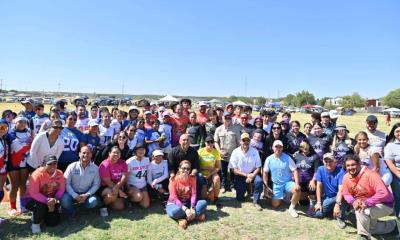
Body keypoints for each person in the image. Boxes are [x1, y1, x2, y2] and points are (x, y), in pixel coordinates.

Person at [342, 155, 398, 240]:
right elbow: (346, 194)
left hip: (384, 204)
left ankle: (363, 236)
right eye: (348, 166)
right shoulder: (346, 177)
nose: (351, 167)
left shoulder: (370, 175)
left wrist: (367, 203)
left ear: (359, 164)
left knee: (361, 211)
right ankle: (394, 226)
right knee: (371, 227)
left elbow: (383, 193)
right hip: (367, 204)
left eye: (353, 165)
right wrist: (353, 201)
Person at [26, 155, 65, 234]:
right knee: (41, 206)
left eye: (55, 163)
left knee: (53, 223)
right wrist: (47, 201)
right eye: (49, 164)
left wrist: (55, 199)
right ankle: (35, 224)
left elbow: (62, 188)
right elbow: (34, 193)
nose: (53, 166)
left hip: (51, 199)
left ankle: (42, 215)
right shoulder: (36, 174)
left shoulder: (59, 173)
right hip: (33, 200)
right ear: (44, 164)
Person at [263, 140, 301, 218]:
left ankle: (291, 208)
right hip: (277, 184)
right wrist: (266, 187)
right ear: (273, 148)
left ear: (282, 148)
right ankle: (284, 196)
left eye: (280, 147)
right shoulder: (269, 159)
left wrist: (297, 183)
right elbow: (265, 173)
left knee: (297, 190)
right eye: (276, 147)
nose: (278, 149)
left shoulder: (287, 158)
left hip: (287, 183)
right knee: (275, 205)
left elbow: (294, 170)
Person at [166, 160, 207, 229]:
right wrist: (186, 210)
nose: (185, 170)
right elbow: (174, 198)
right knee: (174, 212)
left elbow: (194, 194)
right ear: (179, 168)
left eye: (188, 169)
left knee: (203, 203)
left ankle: (183, 219)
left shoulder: (192, 178)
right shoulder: (173, 180)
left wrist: (192, 207)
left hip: (188, 203)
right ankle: (196, 216)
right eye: (183, 168)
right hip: (175, 204)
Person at [61, 146, 100, 218]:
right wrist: (74, 195)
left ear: (91, 155)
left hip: (86, 194)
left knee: (93, 201)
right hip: (72, 193)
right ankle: (72, 212)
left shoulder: (95, 168)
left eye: (88, 153)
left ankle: (82, 209)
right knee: (64, 201)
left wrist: (87, 194)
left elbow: (96, 184)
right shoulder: (71, 166)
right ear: (79, 154)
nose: (85, 155)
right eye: (83, 153)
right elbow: (66, 183)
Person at [229, 133, 263, 210]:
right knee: (240, 199)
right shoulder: (235, 152)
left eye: (248, 140)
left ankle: (256, 201)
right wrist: (247, 175)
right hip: (240, 175)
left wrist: (252, 175)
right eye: (243, 140)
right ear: (240, 141)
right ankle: (248, 191)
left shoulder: (254, 151)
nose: (246, 142)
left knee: (259, 181)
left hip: (252, 174)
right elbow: (233, 169)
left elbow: (258, 167)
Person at [313, 153, 347, 229]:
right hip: (328, 196)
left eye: (330, 161)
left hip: (339, 196)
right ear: (323, 162)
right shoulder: (321, 169)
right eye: (326, 161)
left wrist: (337, 204)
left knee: (343, 197)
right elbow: (318, 186)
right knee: (318, 214)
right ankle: (332, 210)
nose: (328, 163)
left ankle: (340, 218)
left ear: (335, 162)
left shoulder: (341, 171)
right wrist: (318, 202)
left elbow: (341, 190)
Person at [168, 134, 207, 199]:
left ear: (190, 142)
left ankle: (199, 196)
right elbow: (170, 167)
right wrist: (172, 175)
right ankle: (174, 196)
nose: (186, 142)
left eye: (187, 140)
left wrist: (192, 174)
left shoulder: (194, 152)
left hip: (190, 173)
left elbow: (196, 167)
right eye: (184, 140)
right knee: (171, 179)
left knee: (200, 176)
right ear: (180, 141)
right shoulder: (172, 152)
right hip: (177, 174)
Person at [7, 116, 32, 215]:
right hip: (13, 163)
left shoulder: (29, 133)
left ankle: (23, 206)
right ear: (15, 123)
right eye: (20, 122)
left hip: (25, 163)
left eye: (24, 122)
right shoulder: (10, 134)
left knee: (23, 185)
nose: (22, 124)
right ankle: (12, 208)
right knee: (14, 186)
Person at [214, 113, 241, 192]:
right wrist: (219, 152)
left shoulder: (235, 129)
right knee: (223, 171)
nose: (227, 120)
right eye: (226, 118)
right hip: (222, 154)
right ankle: (223, 186)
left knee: (233, 171)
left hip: (233, 154)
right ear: (223, 119)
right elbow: (216, 142)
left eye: (229, 118)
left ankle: (232, 186)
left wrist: (237, 153)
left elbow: (239, 142)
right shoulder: (218, 129)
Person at [292, 139, 319, 215]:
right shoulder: (297, 156)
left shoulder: (315, 156)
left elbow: (316, 171)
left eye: (306, 146)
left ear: (309, 145)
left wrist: (313, 180)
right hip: (300, 181)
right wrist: (293, 176)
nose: (304, 148)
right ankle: (304, 199)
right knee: (303, 203)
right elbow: (293, 169)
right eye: (301, 146)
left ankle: (312, 206)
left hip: (309, 181)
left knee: (312, 187)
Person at [99, 146, 128, 211]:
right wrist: (118, 190)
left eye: (118, 153)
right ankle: (103, 205)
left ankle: (111, 202)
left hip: (118, 186)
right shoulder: (104, 164)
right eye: (114, 152)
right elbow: (107, 181)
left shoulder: (123, 162)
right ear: (109, 153)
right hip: (106, 186)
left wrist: (117, 188)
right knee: (112, 194)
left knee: (120, 207)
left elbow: (124, 177)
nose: (116, 154)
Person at [198, 135, 222, 207]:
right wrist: (205, 168)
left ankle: (216, 197)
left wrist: (210, 173)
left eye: (212, 142)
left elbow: (218, 167)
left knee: (217, 178)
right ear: (205, 143)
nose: (210, 144)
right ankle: (203, 194)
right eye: (208, 142)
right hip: (201, 173)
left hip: (212, 173)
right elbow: (196, 166)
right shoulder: (200, 151)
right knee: (204, 197)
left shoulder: (216, 152)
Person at [126, 144, 151, 208]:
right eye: (139, 149)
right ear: (135, 151)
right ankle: (128, 199)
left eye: (143, 149)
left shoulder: (147, 160)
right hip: (132, 185)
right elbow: (126, 176)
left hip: (143, 185)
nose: (141, 151)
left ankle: (137, 199)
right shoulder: (129, 162)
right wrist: (128, 188)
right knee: (138, 197)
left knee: (145, 205)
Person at [384, 122, 400, 219]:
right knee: (399, 199)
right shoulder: (390, 146)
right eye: (397, 131)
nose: (399, 133)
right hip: (397, 176)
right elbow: (389, 163)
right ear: (393, 133)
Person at [0, 119, 10, 224]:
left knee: (1, 192)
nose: (2, 129)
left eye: (5, 127)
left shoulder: (4, 139)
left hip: (3, 169)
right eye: (0, 127)